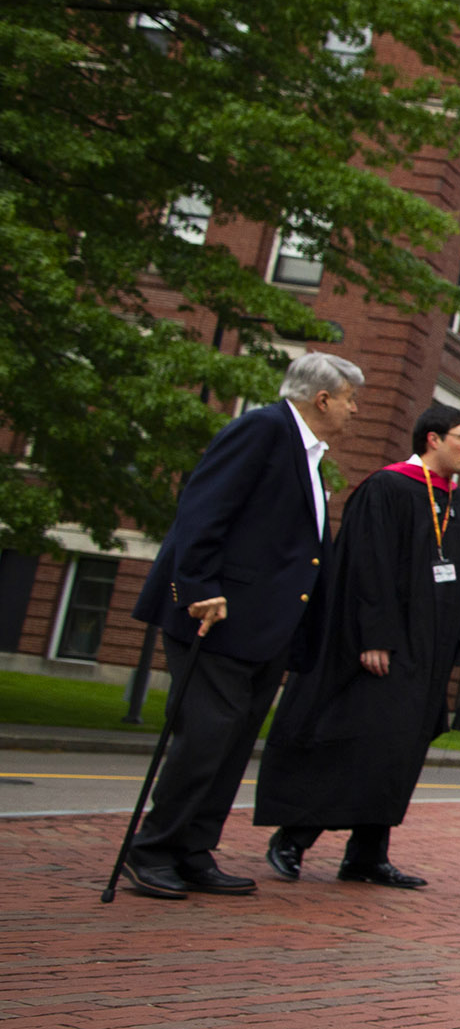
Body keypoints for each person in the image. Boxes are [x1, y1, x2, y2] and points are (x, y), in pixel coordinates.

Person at [123, 352, 363, 899]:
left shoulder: (308, 454)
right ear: (322, 398)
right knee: (204, 738)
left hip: (265, 628)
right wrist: (200, 590)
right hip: (218, 620)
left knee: (230, 744)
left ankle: (192, 850)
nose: (354, 412)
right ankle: (152, 850)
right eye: (350, 400)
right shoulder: (260, 430)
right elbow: (202, 511)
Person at [255, 403, 460, 888]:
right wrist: (375, 637)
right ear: (432, 438)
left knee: (397, 754)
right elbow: (366, 569)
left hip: (425, 654)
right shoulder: (386, 489)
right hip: (381, 650)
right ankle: (293, 837)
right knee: (356, 746)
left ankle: (367, 855)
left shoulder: (456, 503)